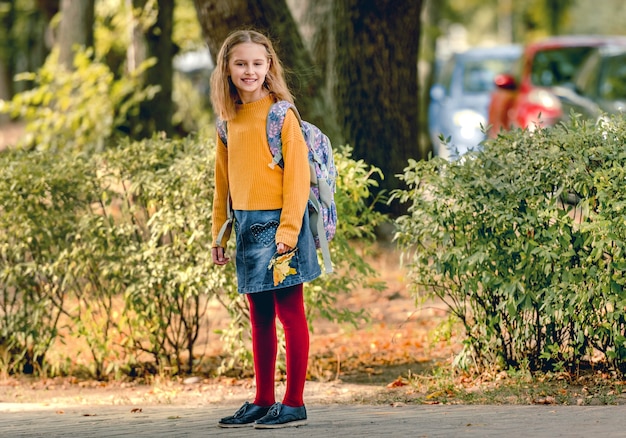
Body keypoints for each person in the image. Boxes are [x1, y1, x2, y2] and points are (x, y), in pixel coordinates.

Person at [209, 29, 321, 429]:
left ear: (269, 66)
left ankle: (294, 402)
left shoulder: (281, 114)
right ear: (227, 68)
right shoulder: (227, 121)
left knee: (290, 313)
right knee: (258, 313)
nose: (249, 70)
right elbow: (223, 183)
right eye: (241, 63)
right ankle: (262, 399)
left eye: (257, 63)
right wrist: (219, 232)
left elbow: (297, 178)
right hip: (246, 226)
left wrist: (289, 231)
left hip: (280, 226)